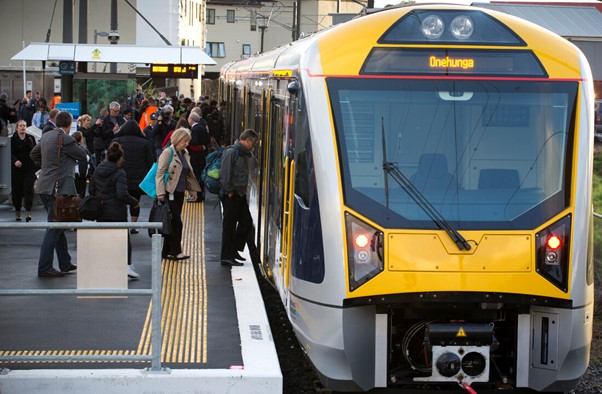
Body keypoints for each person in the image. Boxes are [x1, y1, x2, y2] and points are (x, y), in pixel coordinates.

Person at [30, 111, 86, 278]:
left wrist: (47, 166)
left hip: (45, 186)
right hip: (59, 188)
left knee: (58, 225)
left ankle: (65, 262)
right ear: (69, 125)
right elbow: (82, 156)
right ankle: (44, 267)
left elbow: (33, 154)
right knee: (54, 228)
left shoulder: (46, 136)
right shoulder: (67, 139)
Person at [89, 142, 141, 279]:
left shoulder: (97, 170)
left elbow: (91, 191)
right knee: (124, 240)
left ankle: (105, 266)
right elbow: (122, 194)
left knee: (105, 239)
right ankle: (127, 265)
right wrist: (135, 202)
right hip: (117, 211)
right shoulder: (120, 173)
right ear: (119, 158)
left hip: (101, 210)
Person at [156, 128, 202, 260]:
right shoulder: (167, 152)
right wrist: (160, 193)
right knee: (177, 222)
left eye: (187, 141)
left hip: (180, 192)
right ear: (177, 140)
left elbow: (186, 175)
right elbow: (160, 173)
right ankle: (176, 251)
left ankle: (166, 252)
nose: (186, 144)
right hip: (169, 192)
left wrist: (192, 191)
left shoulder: (184, 153)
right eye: (184, 141)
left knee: (172, 222)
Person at [219, 129, 259, 266]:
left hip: (240, 194)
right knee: (229, 225)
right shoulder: (232, 152)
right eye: (252, 143)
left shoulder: (244, 154)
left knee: (246, 221)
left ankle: (233, 249)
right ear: (247, 141)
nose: (253, 146)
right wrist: (229, 191)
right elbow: (224, 174)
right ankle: (226, 256)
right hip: (231, 194)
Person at [112, 120, 154, 234]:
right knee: (135, 201)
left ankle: (123, 223)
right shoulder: (144, 142)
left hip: (121, 176)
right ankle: (133, 226)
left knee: (121, 200)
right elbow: (150, 161)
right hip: (138, 176)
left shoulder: (117, 141)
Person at [11, 120, 38, 222]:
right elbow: (10, 153)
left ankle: (28, 211)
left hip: (29, 169)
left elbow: (35, 151)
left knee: (28, 190)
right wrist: (15, 161)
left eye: (24, 126)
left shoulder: (30, 138)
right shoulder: (12, 140)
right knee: (17, 191)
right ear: (17, 128)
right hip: (17, 169)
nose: (23, 127)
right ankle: (18, 211)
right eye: (21, 126)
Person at [71, 131, 95, 198]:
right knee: (81, 197)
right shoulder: (85, 151)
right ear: (81, 140)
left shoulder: (70, 150)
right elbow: (91, 166)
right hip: (83, 177)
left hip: (72, 177)